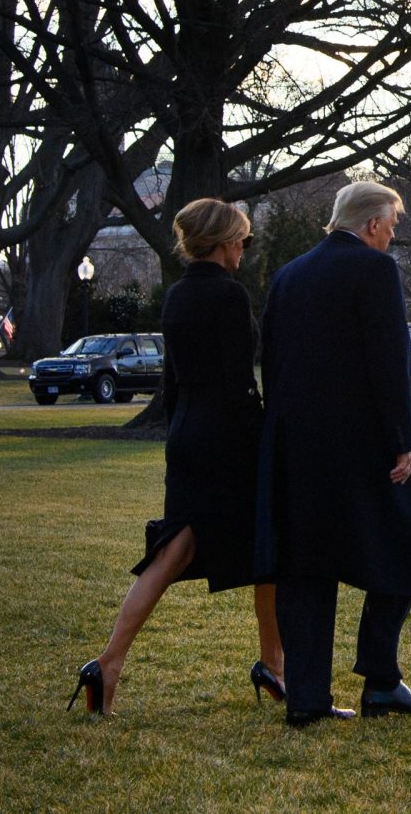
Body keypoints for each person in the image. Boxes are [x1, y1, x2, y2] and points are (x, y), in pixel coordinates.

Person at [68, 198, 284, 715]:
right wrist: (267, 436)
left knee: (176, 551)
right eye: (243, 240)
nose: (244, 250)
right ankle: (275, 668)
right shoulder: (230, 296)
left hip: (187, 435)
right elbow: (237, 387)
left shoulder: (177, 294)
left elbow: (173, 382)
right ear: (226, 241)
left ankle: (109, 663)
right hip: (227, 441)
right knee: (268, 545)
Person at [256, 179, 411, 726]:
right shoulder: (374, 270)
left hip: (299, 448)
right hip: (367, 446)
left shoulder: (288, 275)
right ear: (371, 224)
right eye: (391, 224)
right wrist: (402, 440)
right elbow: (387, 359)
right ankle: (381, 679)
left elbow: (271, 361)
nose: (392, 235)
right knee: (410, 544)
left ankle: (308, 700)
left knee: (307, 567)